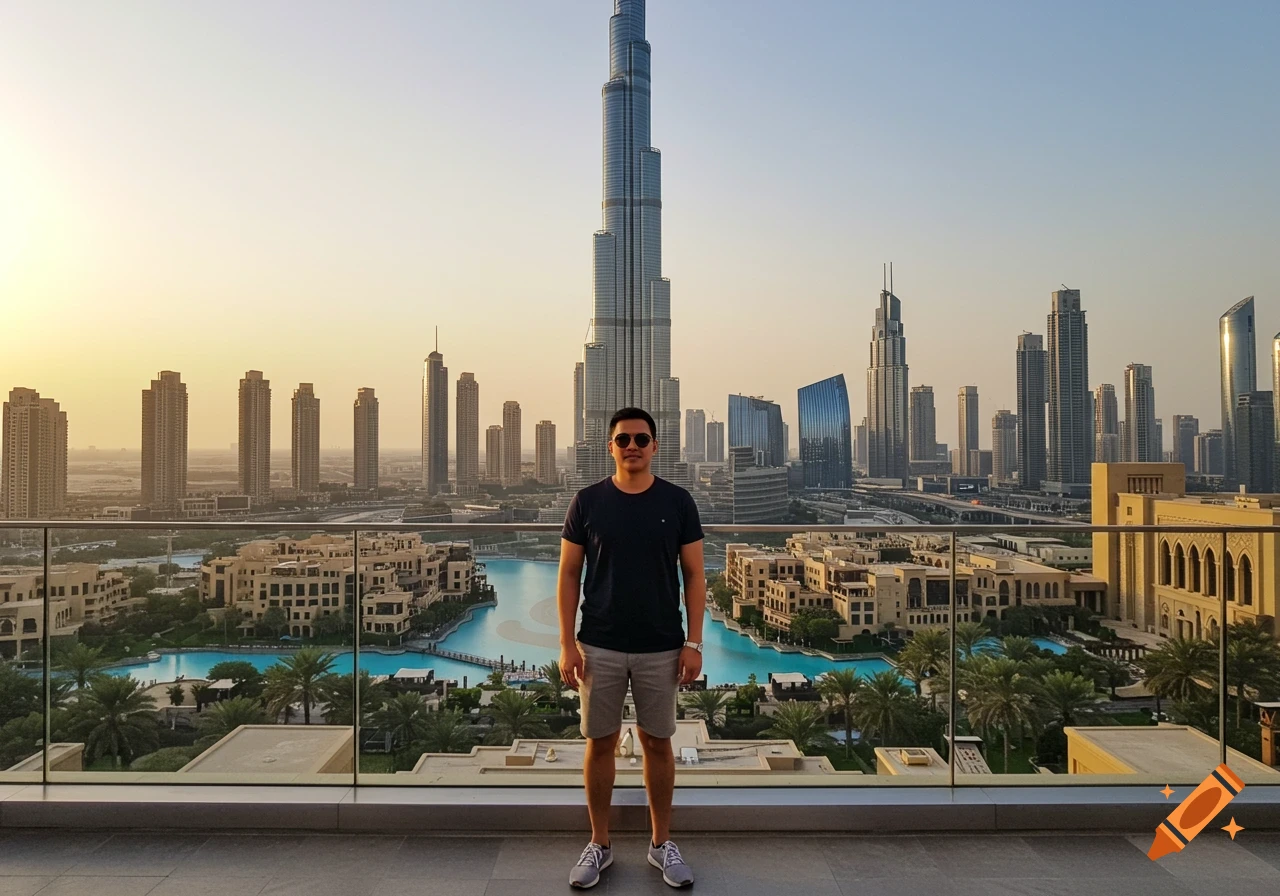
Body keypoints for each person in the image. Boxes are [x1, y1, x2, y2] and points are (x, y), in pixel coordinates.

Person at [558, 406, 705, 889]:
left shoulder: (679, 502)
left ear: (656, 446)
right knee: (598, 744)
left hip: (661, 646)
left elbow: (695, 576)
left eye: (642, 439)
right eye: (623, 440)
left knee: (658, 744)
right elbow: (568, 574)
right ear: (611, 447)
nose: (633, 446)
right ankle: (599, 844)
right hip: (598, 643)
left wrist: (694, 642)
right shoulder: (587, 502)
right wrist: (567, 644)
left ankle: (662, 844)